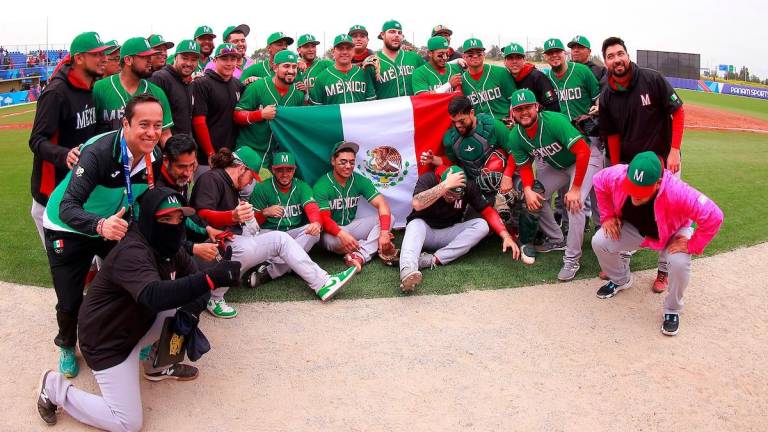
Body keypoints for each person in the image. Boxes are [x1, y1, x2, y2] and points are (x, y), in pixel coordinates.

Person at [35, 186, 241, 430]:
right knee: (127, 423)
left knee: (178, 305)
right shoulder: (133, 250)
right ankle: (53, 388)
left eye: (179, 218)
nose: (174, 225)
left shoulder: (170, 247)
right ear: (149, 221)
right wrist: (210, 279)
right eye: (166, 218)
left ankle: (156, 365)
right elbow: (153, 296)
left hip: (136, 324)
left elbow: (192, 282)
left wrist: (191, 311)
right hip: (107, 341)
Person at [42, 94, 164, 378]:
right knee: (70, 299)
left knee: (138, 279)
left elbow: (139, 199)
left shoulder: (153, 155)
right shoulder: (98, 152)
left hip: (112, 223)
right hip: (66, 226)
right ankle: (67, 345)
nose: (152, 132)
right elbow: (68, 206)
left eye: (157, 125)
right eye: (143, 124)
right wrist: (99, 225)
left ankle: (138, 336)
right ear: (126, 123)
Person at [191, 147, 357, 317]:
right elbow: (202, 215)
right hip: (204, 249)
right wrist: (233, 216)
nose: (250, 182)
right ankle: (214, 296)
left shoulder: (231, 185)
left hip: (230, 240)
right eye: (251, 176)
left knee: (281, 238)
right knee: (246, 247)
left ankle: (323, 282)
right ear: (242, 169)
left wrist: (243, 218)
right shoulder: (211, 178)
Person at [591, 151, 723, 336]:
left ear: (658, 183)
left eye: (641, 192)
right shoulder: (617, 174)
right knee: (599, 241)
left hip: (673, 232)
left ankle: (672, 310)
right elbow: (598, 181)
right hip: (638, 230)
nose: (635, 195)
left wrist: (693, 245)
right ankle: (621, 280)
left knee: (679, 263)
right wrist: (607, 217)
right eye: (632, 188)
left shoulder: (677, 190)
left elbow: (714, 215)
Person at [599, 36, 685, 293]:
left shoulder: (651, 78)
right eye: (611, 56)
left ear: (627, 55)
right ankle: (622, 259)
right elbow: (612, 136)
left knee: (668, 217)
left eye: (620, 53)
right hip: (631, 167)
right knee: (628, 214)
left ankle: (664, 270)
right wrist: (616, 167)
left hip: (664, 163)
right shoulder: (606, 96)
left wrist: (675, 150)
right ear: (605, 62)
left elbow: (677, 111)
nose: (617, 59)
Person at [505, 89, 603, 281]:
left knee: (575, 204)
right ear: (513, 113)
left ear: (536, 107)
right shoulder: (516, 136)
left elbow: (582, 151)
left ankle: (572, 259)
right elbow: (524, 166)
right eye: (519, 109)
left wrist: (575, 189)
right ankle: (557, 239)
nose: (524, 112)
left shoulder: (553, 121)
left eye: (527, 107)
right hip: (558, 166)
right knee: (533, 196)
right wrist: (527, 189)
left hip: (585, 159)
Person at [29, 32, 110, 246]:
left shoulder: (93, 87)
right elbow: (36, 140)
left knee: (86, 249)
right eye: (97, 54)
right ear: (79, 58)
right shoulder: (56, 93)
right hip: (52, 189)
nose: (104, 58)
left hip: (81, 182)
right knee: (63, 257)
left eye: (104, 54)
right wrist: (65, 154)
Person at [400, 165, 521, 292]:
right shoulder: (429, 179)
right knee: (415, 224)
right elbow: (417, 204)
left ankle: (432, 259)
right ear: (441, 181)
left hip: (448, 232)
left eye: (456, 195)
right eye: (449, 193)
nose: (452, 198)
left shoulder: (469, 186)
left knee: (482, 225)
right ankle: (408, 270)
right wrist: (445, 186)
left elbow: (488, 211)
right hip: (424, 232)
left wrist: (505, 236)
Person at [313, 141, 398, 272]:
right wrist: (342, 234)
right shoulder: (322, 185)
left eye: (351, 162)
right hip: (331, 233)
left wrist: (385, 233)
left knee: (389, 219)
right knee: (331, 241)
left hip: (352, 226)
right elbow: (323, 219)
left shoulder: (359, 180)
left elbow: (382, 204)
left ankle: (358, 256)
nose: (348, 166)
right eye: (343, 162)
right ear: (333, 161)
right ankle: (371, 247)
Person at [247, 151, 324, 287]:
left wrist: (316, 223)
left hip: (293, 236)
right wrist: (264, 212)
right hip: (269, 235)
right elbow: (251, 226)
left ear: (294, 170)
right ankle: (293, 264)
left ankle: (270, 271)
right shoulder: (262, 188)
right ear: (273, 170)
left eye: (289, 170)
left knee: (314, 232)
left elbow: (312, 207)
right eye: (280, 170)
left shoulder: (301, 186)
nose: (285, 174)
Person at [92, 36, 174, 144]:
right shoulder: (99, 88)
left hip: (144, 158)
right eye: (145, 57)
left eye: (150, 56)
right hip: (107, 157)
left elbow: (165, 134)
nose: (150, 61)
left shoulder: (157, 92)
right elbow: (89, 130)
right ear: (128, 60)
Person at [234, 50, 304, 171]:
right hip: (250, 150)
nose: (291, 71)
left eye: (294, 67)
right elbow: (237, 115)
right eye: (286, 66)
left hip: (276, 155)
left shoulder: (297, 94)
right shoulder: (257, 86)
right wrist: (260, 114)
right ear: (275, 67)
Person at [156, 134, 222, 263]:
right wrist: (192, 248)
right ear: (166, 161)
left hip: (179, 245)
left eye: (191, 165)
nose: (187, 173)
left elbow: (184, 214)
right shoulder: (156, 188)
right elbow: (158, 234)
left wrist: (206, 228)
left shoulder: (179, 179)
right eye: (181, 166)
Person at [191, 43, 244, 176]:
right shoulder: (202, 84)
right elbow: (198, 122)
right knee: (207, 193)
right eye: (224, 59)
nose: (229, 63)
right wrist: (210, 153)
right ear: (215, 60)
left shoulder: (237, 85)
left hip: (231, 155)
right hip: (207, 157)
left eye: (233, 59)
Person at [149, 39, 200, 135]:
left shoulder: (188, 82)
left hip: (185, 145)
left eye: (193, 60)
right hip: (167, 146)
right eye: (184, 58)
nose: (189, 63)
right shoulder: (160, 78)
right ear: (176, 57)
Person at [309, 34, 376, 105]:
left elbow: (371, 104)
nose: (344, 52)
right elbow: (316, 110)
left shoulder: (364, 74)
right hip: (335, 116)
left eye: (348, 48)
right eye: (340, 48)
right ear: (333, 51)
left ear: (353, 51)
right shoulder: (321, 78)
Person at [460, 38, 517, 121]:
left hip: (505, 123)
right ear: (463, 56)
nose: (475, 56)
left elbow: (513, 99)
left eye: (479, 53)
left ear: (484, 54)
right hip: (480, 129)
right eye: (470, 54)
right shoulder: (462, 81)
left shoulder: (501, 72)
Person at [367, 19, 425, 99]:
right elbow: (369, 96)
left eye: (399, 33)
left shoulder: (415, 57)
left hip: (414, 109)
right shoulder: (371, 62)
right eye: (392, 32)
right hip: (387, 110)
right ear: (383, 35)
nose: (397, 35)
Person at [503, 42, 559, 113]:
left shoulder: (537, 76)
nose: (514, 61)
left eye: (518, 57)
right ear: (504, 62)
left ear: (524, 60)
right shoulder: (504, 78)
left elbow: (553, 105)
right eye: (510, 58)